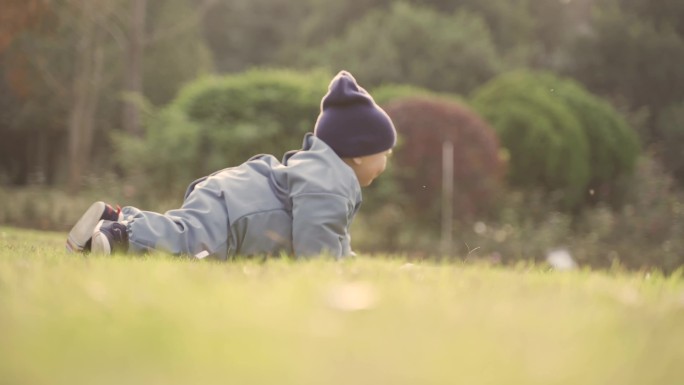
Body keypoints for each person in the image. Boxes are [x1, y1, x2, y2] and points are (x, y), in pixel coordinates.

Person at [65, 70, 396, 260]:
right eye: (385, 152)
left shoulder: (324, 172)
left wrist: (350, 264)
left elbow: (335, 238)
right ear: (357, 153)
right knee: (187, 247)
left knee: (184, 229)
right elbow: (318, 249)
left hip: (234, 196)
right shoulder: (330, 185)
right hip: (235, 215)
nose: (387, 160)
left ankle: (115, 216)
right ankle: (120, 235)